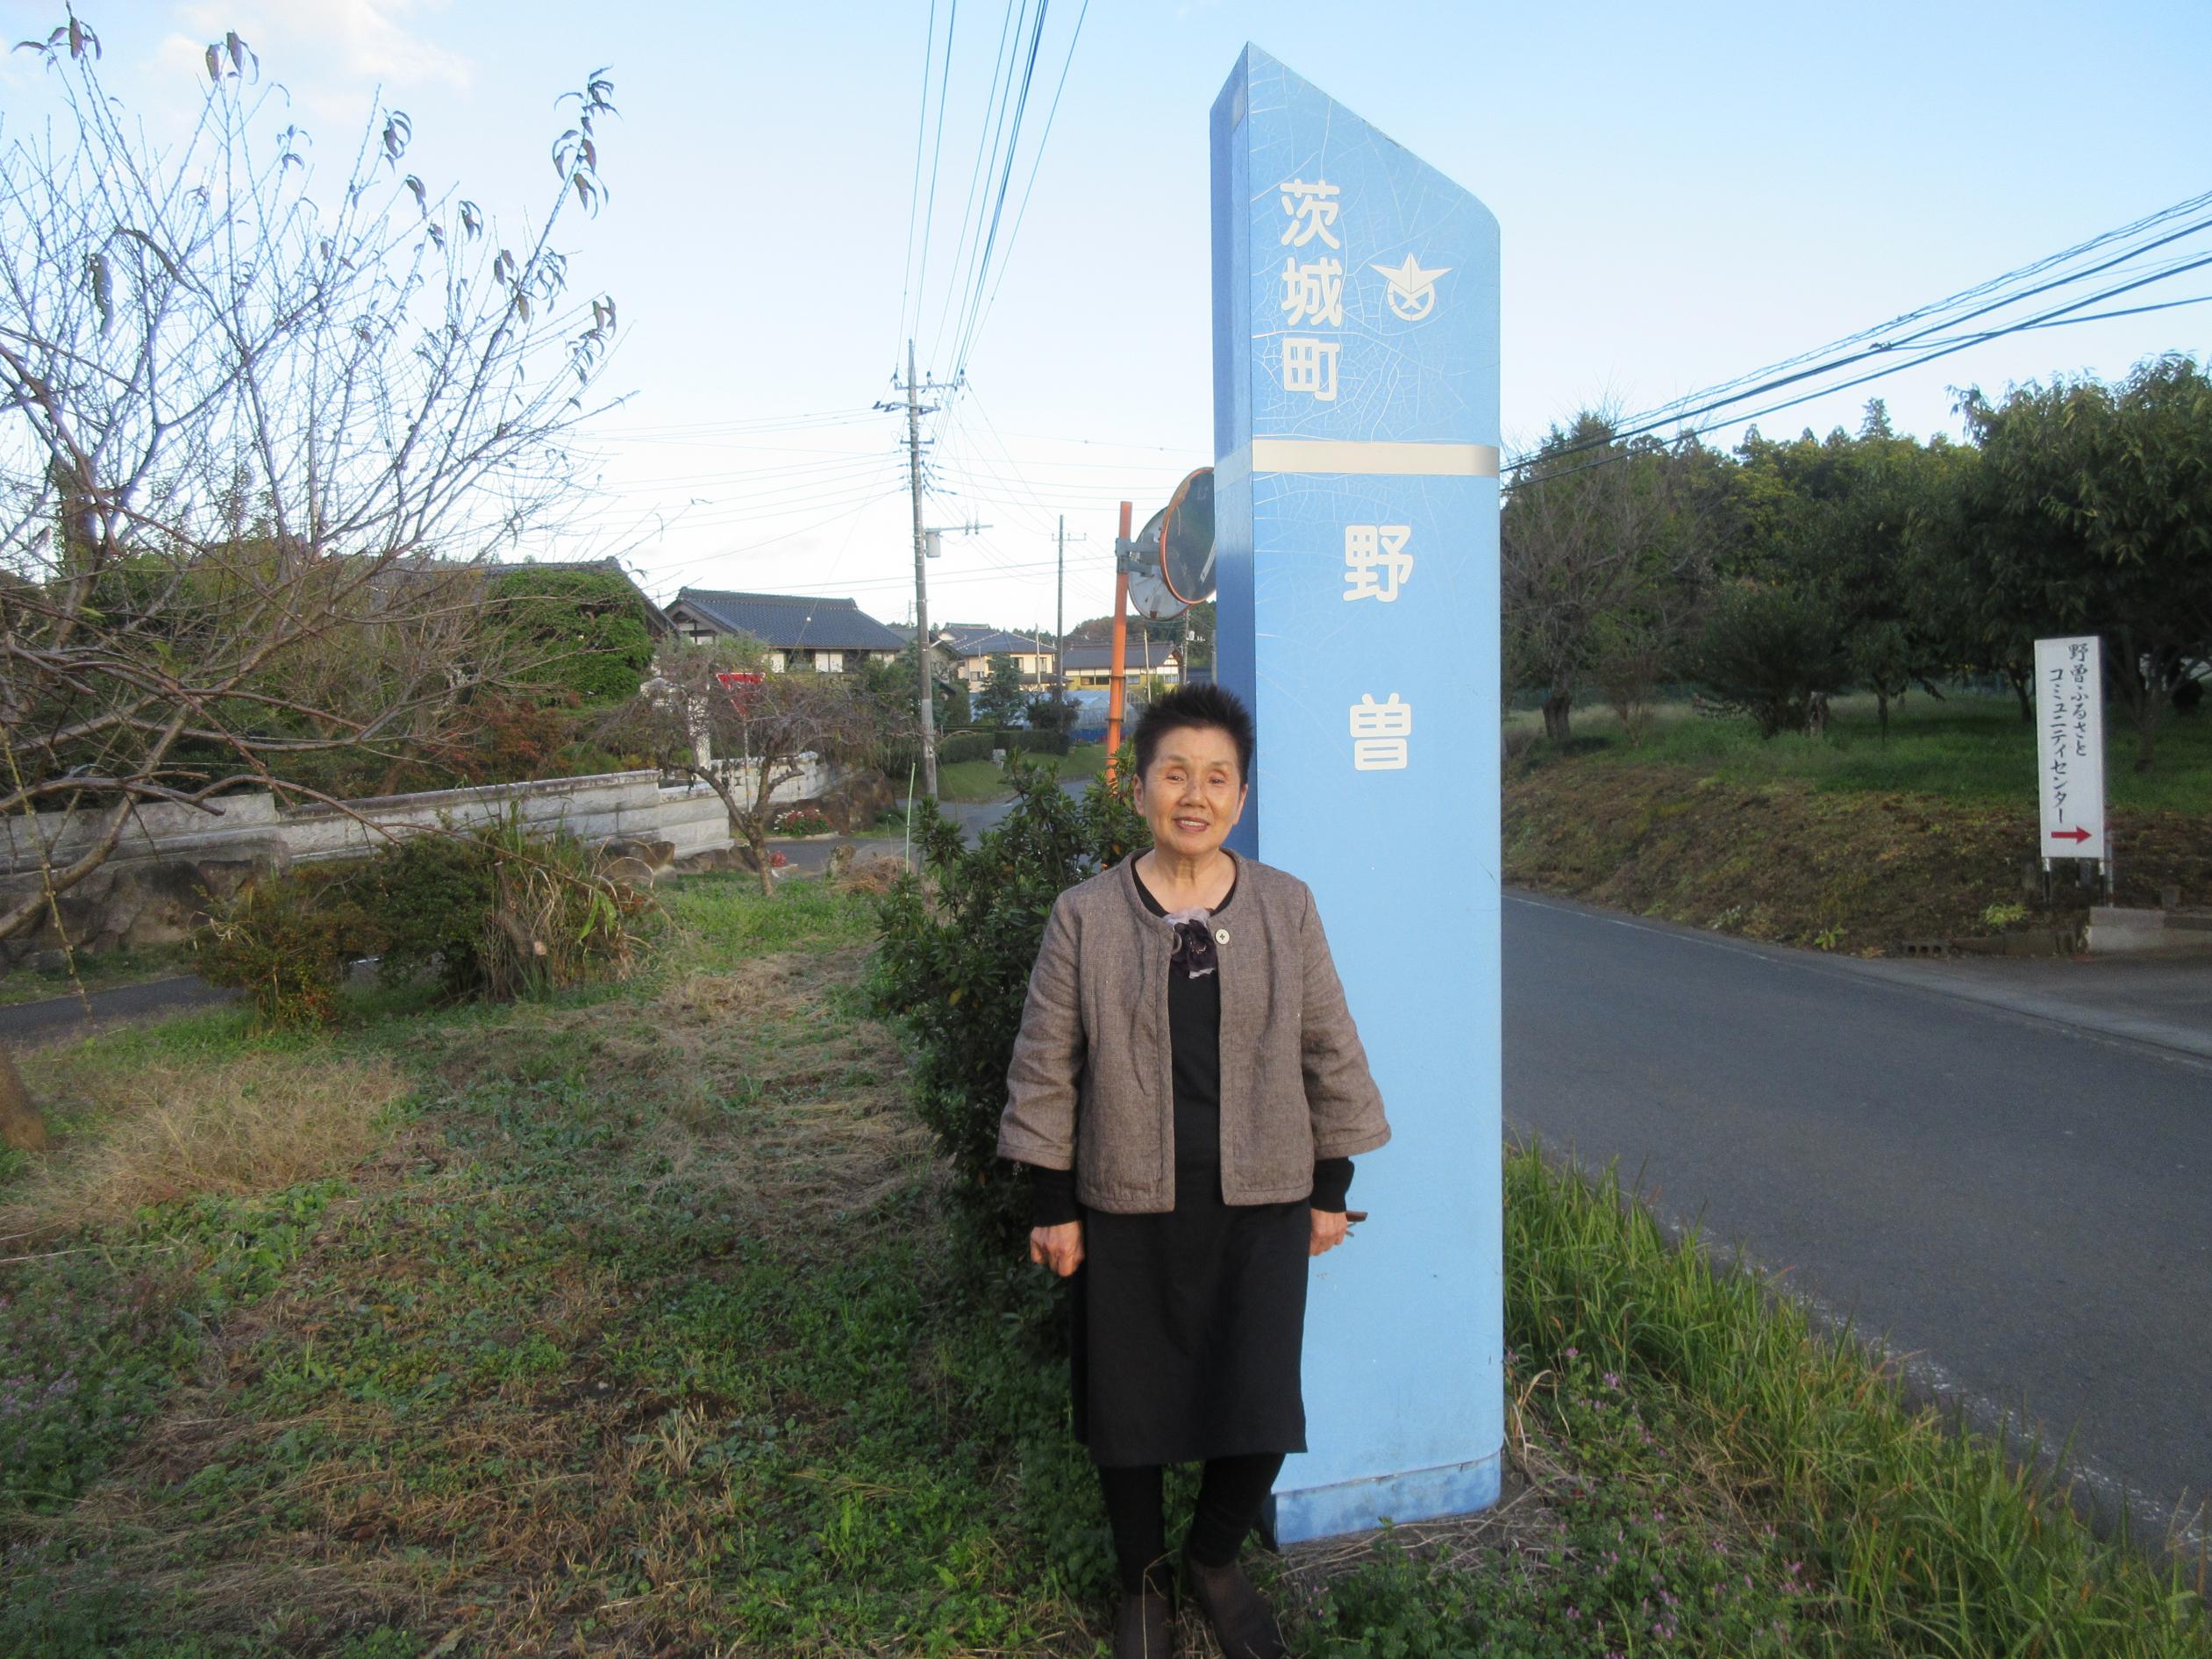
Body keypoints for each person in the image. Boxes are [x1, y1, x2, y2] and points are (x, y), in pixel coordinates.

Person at [998, 683, 1390, 1659]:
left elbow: (1327, 1047)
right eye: (1174, 772)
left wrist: (1329, 1184)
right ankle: (1142, 1580)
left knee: (1259, 1404)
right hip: (1124, 1199)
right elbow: (1045, 1063)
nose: (1194, 793)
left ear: (1239, 798)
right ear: (1138, 790)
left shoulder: (1284, 907)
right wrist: (1054, 1202)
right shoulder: (1083, 916)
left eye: (1216, 777)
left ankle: (1213, 1558)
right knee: (1127, 1410)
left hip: (1260, 1197)